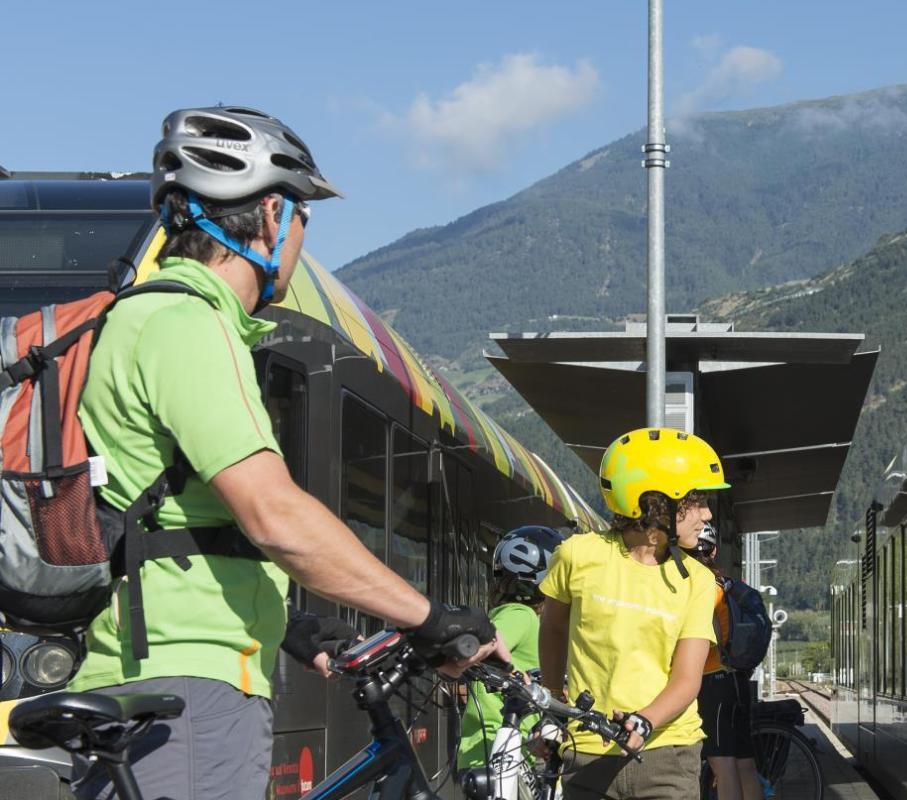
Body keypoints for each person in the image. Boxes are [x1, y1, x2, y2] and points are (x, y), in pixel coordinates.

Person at [69, 105, 502, 800]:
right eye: (304, 219)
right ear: (272, 215)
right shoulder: (187, 324)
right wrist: (431, 618)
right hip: (180, 689)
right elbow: (274, 515)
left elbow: (168, 522)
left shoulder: (162, 320)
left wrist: (296, 627)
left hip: (175, 672)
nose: (301, 236)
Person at [539, 428, 730, 799]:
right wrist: (551, 703)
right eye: (695, 500)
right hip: (587, 754)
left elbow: (687, 678)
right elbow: (553, 629)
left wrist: (645, 720)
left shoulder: (698, 581)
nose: (706, 513)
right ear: (657, 502)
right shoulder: (577, 556)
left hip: (668, 755)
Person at [456, 525, 563, 775]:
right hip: (500, 751)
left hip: (494, 750)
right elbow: (487, 641)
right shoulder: (521, 616)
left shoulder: (514, 615)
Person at [687, 529, 765, 800]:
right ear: (714, 551)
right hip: (737, 681)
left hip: (713, 681)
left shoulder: (699, 587)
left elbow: (703, 642)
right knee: (744, 763)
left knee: (722, 763)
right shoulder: (726, 584)